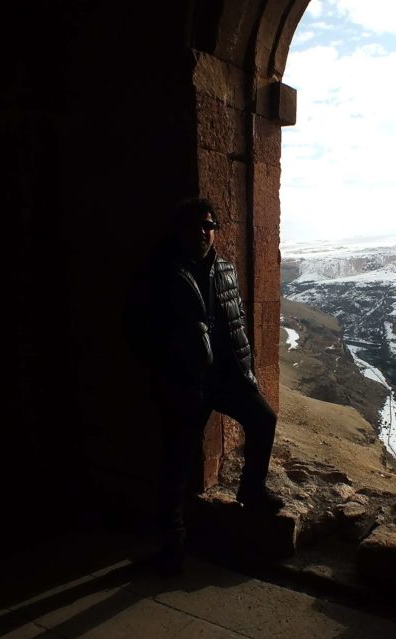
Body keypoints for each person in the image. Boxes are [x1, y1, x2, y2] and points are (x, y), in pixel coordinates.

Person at [124, 197, 283, 575]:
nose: (202, 233)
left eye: (208, 226)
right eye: (194, 226)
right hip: (186, 381)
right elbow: (139, 330)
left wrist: (246, 371)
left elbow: (237, 320)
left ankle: (251, 489)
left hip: (228, 378)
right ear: (178, 230)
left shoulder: (225, 269)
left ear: (215, 231)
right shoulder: (161, 275)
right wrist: (169, 366)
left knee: (264, 420)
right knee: (176, 462)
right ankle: (172, 543)